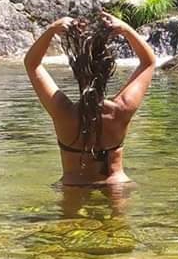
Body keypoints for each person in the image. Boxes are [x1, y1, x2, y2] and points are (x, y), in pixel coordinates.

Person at [24, 11, 156, 186]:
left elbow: (32, 64)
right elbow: (148, 62)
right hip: (116, 185)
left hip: (73, 186)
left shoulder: (62, 111)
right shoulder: (121, 109)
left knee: (71, 215)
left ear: (76, 72)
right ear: (108, 70)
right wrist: (125, 29)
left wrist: (51, 30)